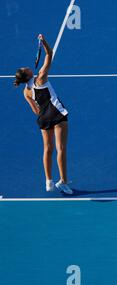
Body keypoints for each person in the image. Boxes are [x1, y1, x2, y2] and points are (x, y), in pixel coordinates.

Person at [14, 34, 73, 195]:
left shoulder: (26, 92)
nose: (27, 67)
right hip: (57, 114)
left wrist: (44, 112)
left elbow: (36, 110)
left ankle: (48, 181)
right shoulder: (41, 77)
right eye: (26, 69)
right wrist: (43, 41)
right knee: (61, 149)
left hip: (43, 119)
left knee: (47, 149)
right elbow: (50, 54)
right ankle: (64, 182)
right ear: (28, 74)